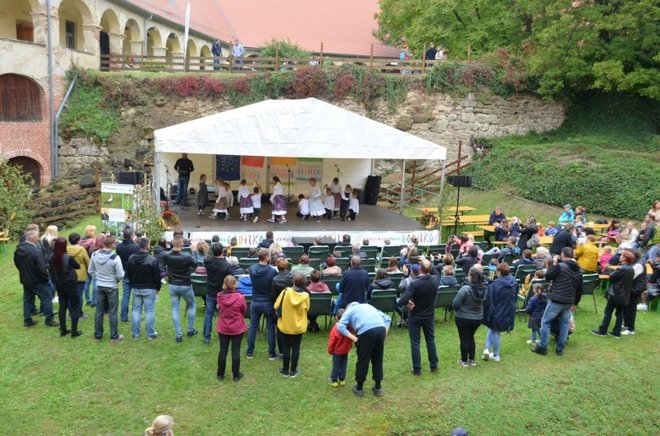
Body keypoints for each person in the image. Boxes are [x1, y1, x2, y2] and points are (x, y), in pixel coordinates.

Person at [532, 247, 583, 356]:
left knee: (545, 322)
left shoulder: (559, 266)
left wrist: (554, 263)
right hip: (569, 301)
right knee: (564, 323)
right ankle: (560, 348)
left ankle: (542, 347)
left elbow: (548, 276)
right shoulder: (578, 269)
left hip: (557, 300)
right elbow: (580, 288)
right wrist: (575, 303)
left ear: (562, 254)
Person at [336, 302, 391, 397]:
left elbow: (340, 326)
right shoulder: (369, 306)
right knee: (378, 358)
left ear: (347, 308)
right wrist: (383, 335)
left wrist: (354, 339)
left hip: (365, 331)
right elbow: (387, 318)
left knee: (363, 359)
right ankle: (378, 387)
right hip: (381, 329)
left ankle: (359, 388)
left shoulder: (349, 311)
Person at [398, 259, 440, 375]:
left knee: (415, 342)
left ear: (419, 269)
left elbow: (403, 300)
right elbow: (436, 272)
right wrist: (428, 261)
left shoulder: (415, 283)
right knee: (430, 340)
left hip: (415, 316)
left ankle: (417, 368)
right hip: (429, 316)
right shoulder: (435, 280)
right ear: (430, 270)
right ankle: (434, 365)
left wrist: (408, 303)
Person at [273, 272, 310, 378]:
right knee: (296, 348)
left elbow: (276, 306)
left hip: (285, 325)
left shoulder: (285, 292)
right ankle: (293, 370)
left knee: (286, 348)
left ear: (293, 281)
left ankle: (285, 370)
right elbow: (307, 309)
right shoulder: (306, 295)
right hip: (299, 327)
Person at [88, 235, 124, 342]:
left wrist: (97, 278)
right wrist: (116, 280)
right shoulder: (115, 258)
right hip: (112, 287)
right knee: (112, 311)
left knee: (99, 311)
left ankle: (98, 334)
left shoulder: (94, 255)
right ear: (112, 244)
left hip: (100, 285)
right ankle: (114, 336)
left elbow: (90, 271)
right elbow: (121, 275)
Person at [592, 250, 635, 338]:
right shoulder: (631, 268)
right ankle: (616, 332)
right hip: (624, 295)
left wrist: (611, 271)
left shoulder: (621, 268)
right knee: (620, 314)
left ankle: (602, 330)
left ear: (624, 258)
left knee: (608, 312)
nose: (620, 256)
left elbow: (611, 278)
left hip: (616, 294)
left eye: (621, 255)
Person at [163, 236, 198, 342]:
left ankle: (178, 334)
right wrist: (194, 251)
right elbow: (195, 264)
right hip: (185, 285)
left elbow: (163, 266)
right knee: (191, 305)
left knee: (175, 309)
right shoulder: (186, 256)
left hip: (173, 285)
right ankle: (190, 330)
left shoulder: (167, 255)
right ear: (182, 244)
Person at [246, 248, 279, 359]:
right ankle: (271, 353)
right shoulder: (272, 271)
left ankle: (249, 352)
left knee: (253, 327)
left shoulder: (252, 269)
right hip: (268, 303)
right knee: (270, 328)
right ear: (266, 257)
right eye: (269, 255)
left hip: (255, 302)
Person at [127, 237, 161, 340]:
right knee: (149, 311)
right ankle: (150, 334)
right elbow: (157, 276)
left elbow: (129, 273)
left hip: (138, 287)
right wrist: (157, 288)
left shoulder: (132, 258)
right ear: (147, 245)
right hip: (148, 288)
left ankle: (135, 333)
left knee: (136, 310)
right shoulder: (151, 259)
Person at [482, 263, 518, 362]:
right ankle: (486, 349)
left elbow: (490, 301)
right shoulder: (514, 281)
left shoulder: (495, 285)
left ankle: (495, 355)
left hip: (497, 311)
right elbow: (515, 297)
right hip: (509, 310)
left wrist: (487, 313)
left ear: (498, 272)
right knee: (492, 328)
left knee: (495, 331)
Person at [452, 267, 487, 367]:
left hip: (463, 317)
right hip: (477, 318)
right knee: (470, 336)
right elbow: (485, 302)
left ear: (471, 277)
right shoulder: (484, 289)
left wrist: (458, 310)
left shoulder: (465, 289)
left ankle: (464, 361)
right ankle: (472, 360)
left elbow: (455, 303)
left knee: (464, 338)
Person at [49, 237, 82, 337]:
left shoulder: (51, 257)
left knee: (62, 306)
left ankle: (63, 330)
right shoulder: (68, 257)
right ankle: (74, 331)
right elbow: (78, 266)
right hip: (70, 285)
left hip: (59, 285)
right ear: (64, 246)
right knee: (75, 306)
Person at [216, 275, 247, 382]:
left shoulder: (219, 296)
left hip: (224, 327)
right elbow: (244, 310)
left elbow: (219, 308)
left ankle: (220, 374)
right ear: (235, 284)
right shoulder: (240, 297)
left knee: (223, 350)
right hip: (236, 328)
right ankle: (236, 375)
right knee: (235, 351)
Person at [201, 242, 233, 344]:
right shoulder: (226, 265)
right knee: (223, 315)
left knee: (209, 314)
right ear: (222, 251)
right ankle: (221, 335)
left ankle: (207, 337)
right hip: (221, 294)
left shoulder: (208, 262)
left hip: (212, 292)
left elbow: (206, 258)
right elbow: (231, 279)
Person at [116, 228, 139, 323]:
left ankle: (124, 316)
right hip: (134, 273)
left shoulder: (119, 247)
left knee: (126, 295)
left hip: (125, 272)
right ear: (131, 236)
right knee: (135, 295)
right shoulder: (136, 246)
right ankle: (134, 315)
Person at [622, 250, 646, 335]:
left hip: (635, 289)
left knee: (631, 308)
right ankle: (626, 324)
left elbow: (630, 276)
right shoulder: (635, 262)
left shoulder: (638, 264)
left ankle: (630, 329)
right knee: (627, 307)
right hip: (632, 288)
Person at [327, 308, 353, 387]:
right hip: (345, 351)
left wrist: (330, 351)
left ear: (336, 318)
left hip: (337, 352)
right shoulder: (349, 328)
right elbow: (350, 339)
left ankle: (334, 380)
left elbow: (332, 341)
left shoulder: (335, 329)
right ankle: (342, 379)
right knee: (343, 364)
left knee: (336, 365)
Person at [67, 232, 90, 319]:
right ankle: (79, 314)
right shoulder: (82, 249)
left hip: (68, 275)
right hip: (80, 275)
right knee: (79, 295)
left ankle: (70, 313)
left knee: (70, 295)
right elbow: (88, 262)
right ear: (78, 240)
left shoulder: (66, 249)